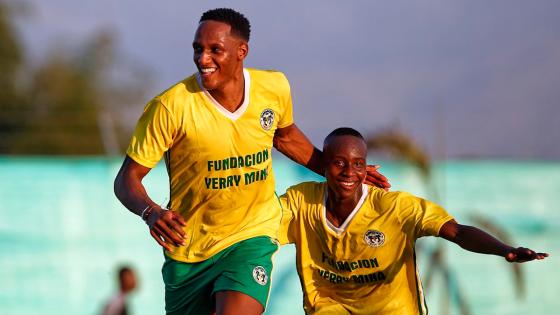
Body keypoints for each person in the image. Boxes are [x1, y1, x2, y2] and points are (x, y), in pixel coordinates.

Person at [113, 8, 389, 315]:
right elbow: (127, 179)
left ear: (241, 51)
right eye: (198, 49)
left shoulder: (273, 88)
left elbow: (284, 137)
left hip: (251, 235)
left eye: (215, 50)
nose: (203, 59)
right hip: (189, 251)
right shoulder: (170, 107)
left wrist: (338, 172)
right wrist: (151, 212)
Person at [278, 127, 548, 315]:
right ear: (322, 164)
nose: (350, 172)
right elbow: (255, 223)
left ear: (366, 167)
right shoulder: (302, 201)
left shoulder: (395, 207)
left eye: (358, 163)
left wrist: (506, 250)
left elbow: (456, 232)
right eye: (339, 163)